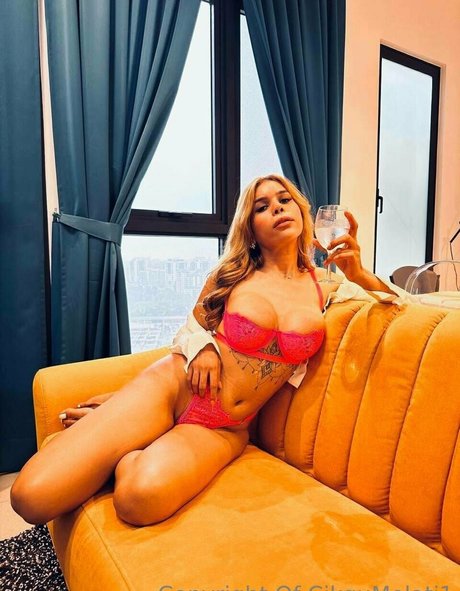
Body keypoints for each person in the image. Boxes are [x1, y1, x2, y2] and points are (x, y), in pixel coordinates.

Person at [11, 174, 402, 527]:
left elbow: (403, 305)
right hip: (174, 387)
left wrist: (360, 273)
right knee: (30, 497)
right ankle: (130, 423)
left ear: (302, 212)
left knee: (137, 500)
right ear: (250, 228)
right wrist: (202, 349)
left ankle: (130, 443)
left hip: (225, 427)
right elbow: (192, 325)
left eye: (284, 200)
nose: (277, 208)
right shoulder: (233, 274)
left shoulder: (327, 287)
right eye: (262, 206)